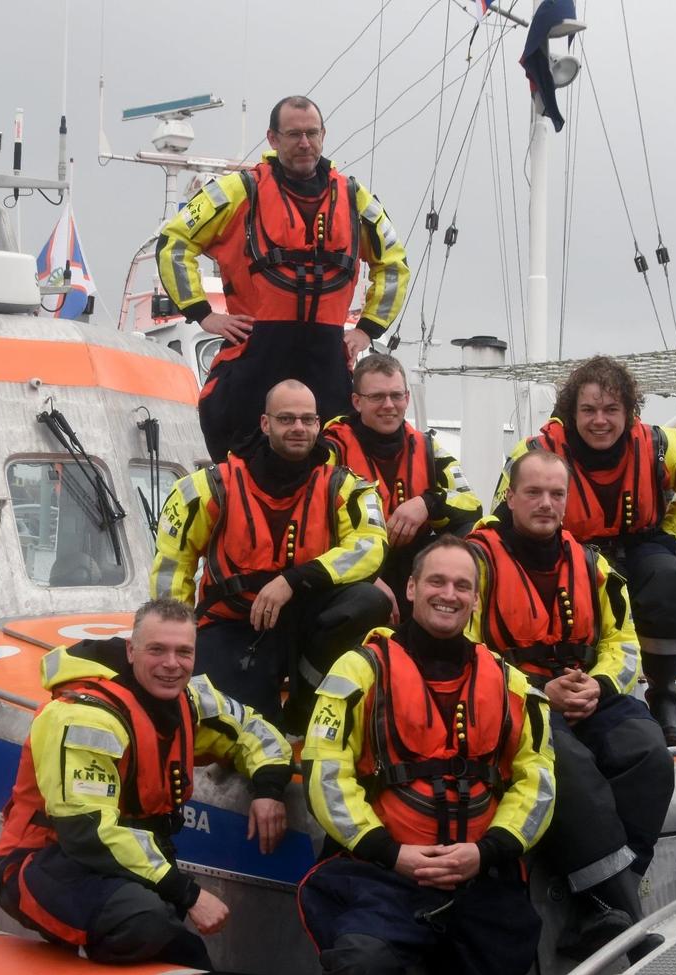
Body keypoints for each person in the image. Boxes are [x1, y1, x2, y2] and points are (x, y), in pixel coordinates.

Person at [298, 536, 555, 975]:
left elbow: (537, 781)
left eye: (463, 585)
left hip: (480, 876)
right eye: (436, 580)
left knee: (495, 974)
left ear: (476, 599)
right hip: (383, 874)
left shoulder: (512, 684)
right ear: (411, 588)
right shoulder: (358, 671)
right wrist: (392, 853)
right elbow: (326, 773)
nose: (449, 594)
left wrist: (487, 852)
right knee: (361, 962)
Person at [0, 598, 292, 969]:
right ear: (131, 651)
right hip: (46, 862)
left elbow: (254, 730)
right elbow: (88, 833)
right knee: (144, 920)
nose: (171, 664)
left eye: (184, 652)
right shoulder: (85, 717)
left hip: (126, 865)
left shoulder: (189, 700)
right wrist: (189, 894)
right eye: (157, 650)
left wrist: (268, 790)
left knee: (175, 942)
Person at [469, 450, 673, 958]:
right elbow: (464, 650)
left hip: (587, 692)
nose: (545, 503)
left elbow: (623, 642)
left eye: (556, 494)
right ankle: (631, 925)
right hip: (512, 699)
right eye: (533, 493)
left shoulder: (592, 565)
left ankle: (598, 907)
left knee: (648, 752)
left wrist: (599, 687)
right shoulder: (474, 562)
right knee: (570, 766)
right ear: (510, 497)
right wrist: (540, 692)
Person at [156, 95, 410, 461]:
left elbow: (394, 262)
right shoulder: (239, 190)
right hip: (257, 352)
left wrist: (367, 329)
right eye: (293, 134)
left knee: (335, 463)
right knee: (240, 461)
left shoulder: (355, 198)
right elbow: (175, 242)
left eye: (311, 133)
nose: (304, 143)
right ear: (273, 139)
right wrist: (203, 313)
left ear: (323, 135)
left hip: (326, 357)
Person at [493, 355, 676, 746]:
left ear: (629, 411)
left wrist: (667, 536)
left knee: (673, 588)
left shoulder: (663, 448)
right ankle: (564, 689)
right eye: (588, 410)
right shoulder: (533, 454)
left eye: (611, 409)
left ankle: (664, 701)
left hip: (640, 544)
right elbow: (503, 518)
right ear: (571, 412)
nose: (600, 420)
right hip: (566, 553)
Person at [150, 379, 390, 732]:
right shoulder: (210, 487)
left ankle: (306, 700)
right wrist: (175, 641)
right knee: (243, 729)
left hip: (307, 622)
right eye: (287, 419)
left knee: (369, 600)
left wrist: (293, 580)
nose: (299, 428)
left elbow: (370, 546)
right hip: (235, 624)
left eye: (308, 420)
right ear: (265, 424)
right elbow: (173, 567)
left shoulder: (344, 486)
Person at [323, 352, 482, 621]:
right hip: (353, 573)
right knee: (366, 601)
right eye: (377, 397)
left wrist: (428, 503)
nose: (389, 405)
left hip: (414, 566)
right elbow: (312, 528)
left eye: (396, 396)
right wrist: (365, 574)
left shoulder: (427, 448)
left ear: (407, 398)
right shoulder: (330, 451)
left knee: (476, 538)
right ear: (357, 402)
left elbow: (472, 505)